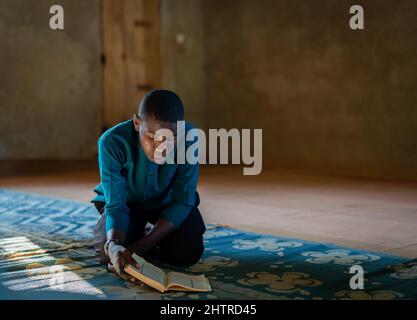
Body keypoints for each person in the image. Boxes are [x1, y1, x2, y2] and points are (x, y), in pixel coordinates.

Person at [91, 89, 206, 279]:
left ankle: (149, 235)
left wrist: (142, 246)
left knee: (186, 253)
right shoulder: (111, 142)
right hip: (126, 204)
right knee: (106, 255)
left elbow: (182, 200)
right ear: (137, 124)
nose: (161, 148)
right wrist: (113, 244)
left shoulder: (189, 138)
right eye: (151, 137)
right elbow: (116, 204)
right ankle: (141, 232)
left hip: (166, 203)